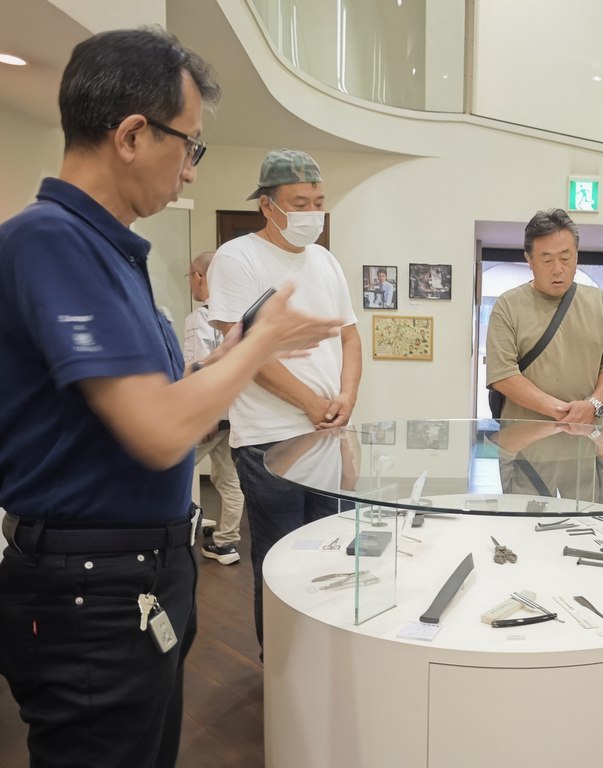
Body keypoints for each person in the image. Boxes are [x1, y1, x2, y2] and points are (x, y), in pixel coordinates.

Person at [0, 29, 344, 768]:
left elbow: (162, 401)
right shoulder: (52, 240)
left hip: (139, 573)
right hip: (93, 587)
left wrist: (235, 349)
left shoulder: (110, 251)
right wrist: (255, 346)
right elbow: (159, 431)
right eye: (190, 146)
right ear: (132, 136)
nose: (190, 171)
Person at [207, 148, 362, 650]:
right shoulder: (239, 257)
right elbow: (244, 350)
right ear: (267, 205)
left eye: (318, 202)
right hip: (269, 439)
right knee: (280, 559)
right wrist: (310, 403)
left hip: (328, 435)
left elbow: (350, 337)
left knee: (329, 552)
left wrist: (345, 397)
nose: (313, 213)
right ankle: (280, 664)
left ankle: (321, 656)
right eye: (300, 203)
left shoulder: (325, 260)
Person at [486, 207, 603, 423]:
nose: (557, 269)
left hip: (585, 437)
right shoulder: (508, 305)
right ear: (529, 260)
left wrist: (592, 404)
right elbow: (502, 375)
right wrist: (564, 412)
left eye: (565, 258)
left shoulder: (600, 302)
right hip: (523, 438)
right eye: (547, 260)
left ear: (576, 256)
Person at [184, 251, 245, 565]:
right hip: (233, 414)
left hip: (209, 414)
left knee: (173, 470)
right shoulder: (237, 316)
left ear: (199, 277)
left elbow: (200, 367)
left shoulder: (200, 318)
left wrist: (204, 412)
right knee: (228, 479)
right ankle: (227, 542)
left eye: (190, 276)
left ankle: (177, 531)